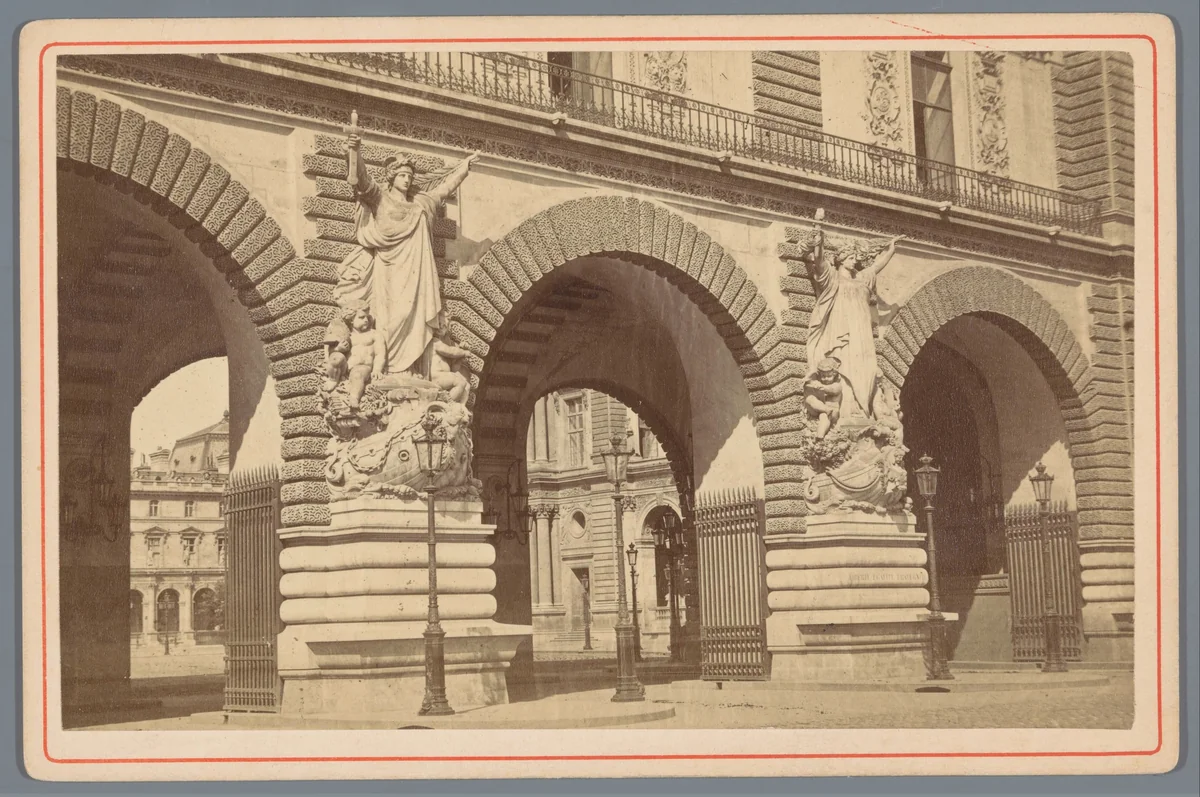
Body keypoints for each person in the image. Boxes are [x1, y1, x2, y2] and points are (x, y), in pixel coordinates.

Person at [335, 129, 480, 379]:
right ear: (392, 178)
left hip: (419, 274)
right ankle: (388, 371)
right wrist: (355, 151)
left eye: (410, 176)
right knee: (390, 319)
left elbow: (444, 190)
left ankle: (413, 372)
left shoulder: (421, 204)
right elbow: (362, 179)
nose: (407, 180)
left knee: (416, 319)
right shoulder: (381, 199)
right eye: (402, 175)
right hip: (389, 272)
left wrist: (464, 168)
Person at [801, 223, 904, 420]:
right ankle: (849, 410)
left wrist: (890, 250)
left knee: (867, 367)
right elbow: (820, 261)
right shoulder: (832, 278)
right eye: (850, 258)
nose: (854, 260)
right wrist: (818, 240)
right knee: (844, 365)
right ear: (840, 260)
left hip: (863, 333)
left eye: (854, 258)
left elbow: (876, 266)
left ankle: (864, 410)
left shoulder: (863, 279)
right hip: (841, 331)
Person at [323, 304, 385, 410]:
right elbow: (329, 353)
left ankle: (354, 398)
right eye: (361, 317)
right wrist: (338, 349)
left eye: (367, 317)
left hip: (363, 367)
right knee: (336, 358)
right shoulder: (347, 336)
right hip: (346, 368)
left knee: (357, 374)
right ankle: (333, 379)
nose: (366, 320)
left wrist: (377, 369)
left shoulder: (374, 334)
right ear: (351, 320)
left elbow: (380, 354)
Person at [803, 356, 845, 439]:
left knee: (824, 416)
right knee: (809, 398)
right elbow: (806, 381)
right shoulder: (819, 382)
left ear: (835, 374)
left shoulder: (837, 385)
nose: (825, 379)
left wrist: (823, 388)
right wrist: (811, 374)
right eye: (823, 376)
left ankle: (820, 434)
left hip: (832, 411)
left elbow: (833, 390)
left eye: (829, 376)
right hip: (819, 408)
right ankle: (824, 408)